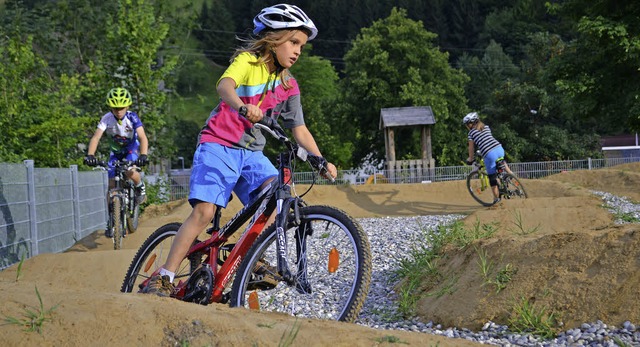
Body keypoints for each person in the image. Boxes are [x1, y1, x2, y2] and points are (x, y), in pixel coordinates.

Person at [142, 4, 337, 296]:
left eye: (302, 46)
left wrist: (320, 159)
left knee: (279, 196)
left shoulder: (289, 84)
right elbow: (225, 86)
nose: (297, 51)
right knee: (204, 212)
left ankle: (250, 256)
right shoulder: (249, 62)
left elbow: (299, 129)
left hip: (252, 155)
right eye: (293, 42)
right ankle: (165, 275)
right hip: (218, 144)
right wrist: (243, 107)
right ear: (273, 38)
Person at [84, 87, 149, 236]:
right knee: (111, 184)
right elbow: (96, 137)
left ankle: (140, 186)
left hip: (131, 149)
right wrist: (90, 155)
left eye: (121, 108)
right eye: (115, 108)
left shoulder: (132, 117)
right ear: (111, 108)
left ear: (127, 106)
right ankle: (111, 220)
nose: (118, 111)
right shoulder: (106, 118)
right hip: (115, 152)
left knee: (129, 171)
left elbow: (143, 137)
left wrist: (143, 155)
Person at [463, 112, 512, 204]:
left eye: (467, 124)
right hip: (499, 148)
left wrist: (470, 159)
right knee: (501, 160)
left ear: (471, 123)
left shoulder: (471, 133)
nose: (466, 126)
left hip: (489, 154)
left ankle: (496, 200)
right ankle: (511, 175)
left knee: (492, 178)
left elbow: (471, 148)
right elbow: (487, 139)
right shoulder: (486, 127)